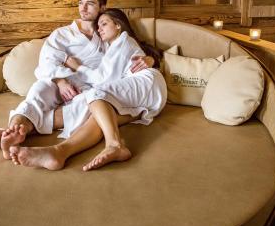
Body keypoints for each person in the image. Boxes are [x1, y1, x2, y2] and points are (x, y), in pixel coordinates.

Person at [0, 0, 153, 160]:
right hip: (61, 81)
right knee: (38, 90)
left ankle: (19, 132)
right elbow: (46, 62)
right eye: (80, 2)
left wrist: (150, 59)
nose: (83, 8)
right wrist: (60, 81)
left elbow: (132, 49)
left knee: (86, 104)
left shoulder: (106, 32)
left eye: (90, 3)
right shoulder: (62, 34)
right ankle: (12, 130)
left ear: (102, 6)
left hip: (92, 86)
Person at [9, 9, 167, 171]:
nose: (100, 29)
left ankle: (115, 144)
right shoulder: (110, 46)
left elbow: (103, 79)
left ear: (118, 25)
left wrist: (78, 66)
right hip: (147, 97)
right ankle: (58, 152)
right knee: (99, 116)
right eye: (98, 26)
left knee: (94, 95)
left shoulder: (124, 41)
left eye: (104, 24)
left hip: (147, 82)